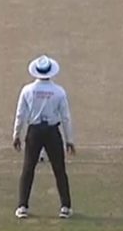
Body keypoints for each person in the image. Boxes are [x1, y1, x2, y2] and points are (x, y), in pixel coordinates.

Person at [12, 55, 76, 219]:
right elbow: (66, 117)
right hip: (52, 131)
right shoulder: (59, 91)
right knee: (59, 169)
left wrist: (16, 134)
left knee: (28, 168)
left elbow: (20, 115)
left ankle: (22, 206)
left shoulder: (27, 90)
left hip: (34, 131)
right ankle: (65, 206)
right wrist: (69, 140)